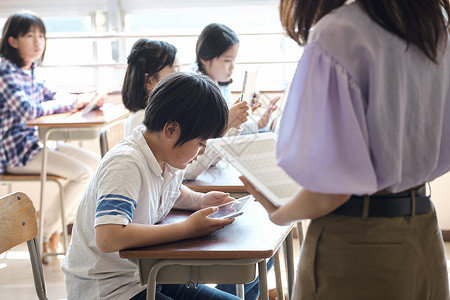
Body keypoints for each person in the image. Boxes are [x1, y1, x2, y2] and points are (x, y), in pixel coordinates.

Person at [241, 1, 450, 299]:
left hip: (358, 242)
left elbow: (332, 191)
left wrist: (279, 214)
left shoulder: (341, 32)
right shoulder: (435, 23)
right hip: (424, 230)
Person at [62, 72, 242, 300]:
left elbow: (171, 193)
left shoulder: (165, 157)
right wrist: (187, 228)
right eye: (200, 143)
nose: (201, 152)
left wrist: (199, 201)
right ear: (171, 130)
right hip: (109, 289)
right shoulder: (126, 163)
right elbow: (109, 237)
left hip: (147, 276)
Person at [0, 11, 102, 262]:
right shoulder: (4, 71)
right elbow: (29, 111)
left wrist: (82, 100)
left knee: (97, 167)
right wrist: (72, 103)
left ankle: (52, 228)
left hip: (37, 144)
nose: (38, 42)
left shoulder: (30, 70)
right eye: (30, 36)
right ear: (12, 40)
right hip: (16, 152)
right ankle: (46, 230)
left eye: (42, 36)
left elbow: (54, 96)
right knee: (83, 174)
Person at [184, 23, 279, 181]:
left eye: (234, 59)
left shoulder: (220, 83)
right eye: (227, 60)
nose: (233, 67)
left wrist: (257, 123)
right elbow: (206, 138)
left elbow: (225, 131)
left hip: (211, 164)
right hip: (196, 169)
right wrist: (230, 118)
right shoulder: (194, 89)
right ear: (205, 59)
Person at [122, 38, 180, 136]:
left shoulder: (160, 114)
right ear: (149, 81)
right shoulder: (141, 121)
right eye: (175, 73)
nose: (181, 79)